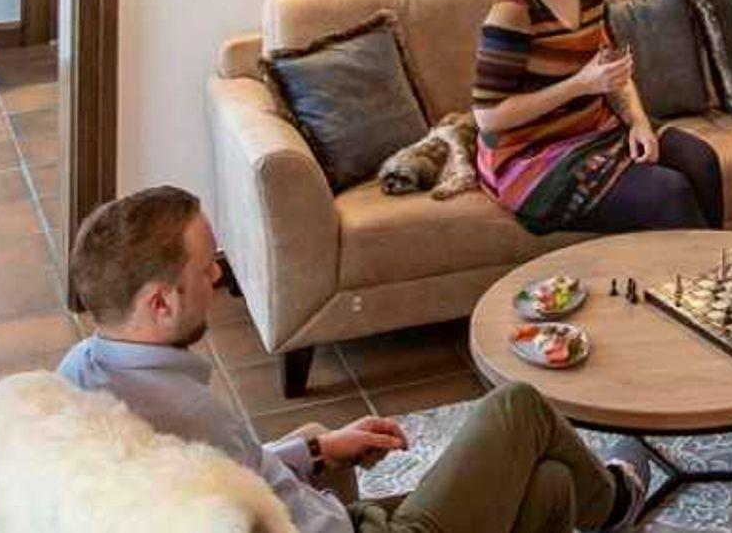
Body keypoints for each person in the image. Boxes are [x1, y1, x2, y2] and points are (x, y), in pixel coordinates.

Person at [58, 186, 645, 533]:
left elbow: (238, 479)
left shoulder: (77, 376)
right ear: (160, 302)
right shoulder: (187, 414)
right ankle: (616, 503)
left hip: (323, 517)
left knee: (550, 487)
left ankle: (594, 500)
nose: (218, 274)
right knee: (518, 407)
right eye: (205, 265)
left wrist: (315, 450)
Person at [472, 0, 723, 234]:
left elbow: (612, 71)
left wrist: (638, 122)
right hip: (533, 156)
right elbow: (487, 116)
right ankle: (700, 270)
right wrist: (580, 84)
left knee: (702, 161)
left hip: (596, 129)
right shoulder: (513, 8)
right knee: (669, 192)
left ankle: (713, 269)